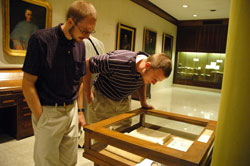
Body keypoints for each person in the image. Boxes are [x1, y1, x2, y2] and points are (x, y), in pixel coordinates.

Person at [22, 1, 97, 165]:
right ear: (71, 21)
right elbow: (27, 83)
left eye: (91, 32)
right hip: (49, 112)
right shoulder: (41, 40)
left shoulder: (81, 45)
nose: (87, 36)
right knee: (46, 162)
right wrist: (41, 117)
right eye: (84, 30)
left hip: (71, 111)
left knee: (69, 161)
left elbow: (79, 81)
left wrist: (80, 111)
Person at [83, 50, 172, 129]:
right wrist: (87, 93)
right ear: (147, 66)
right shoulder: (117, 60)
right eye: (155, 79)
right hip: (102, 99)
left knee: (124, 132)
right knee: (98, 136)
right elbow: (88, 64)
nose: (154, 83)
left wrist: (143, 102)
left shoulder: (149, 65)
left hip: (124, 100)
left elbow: (142, 81)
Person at [77, 36, 105, 147]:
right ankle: (88, 138)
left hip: (84, 78)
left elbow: (83, 66)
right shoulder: (99, 43)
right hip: (95, 79)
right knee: (91, 110)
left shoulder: (82, 41)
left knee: (82, 110)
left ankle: (82, 139)